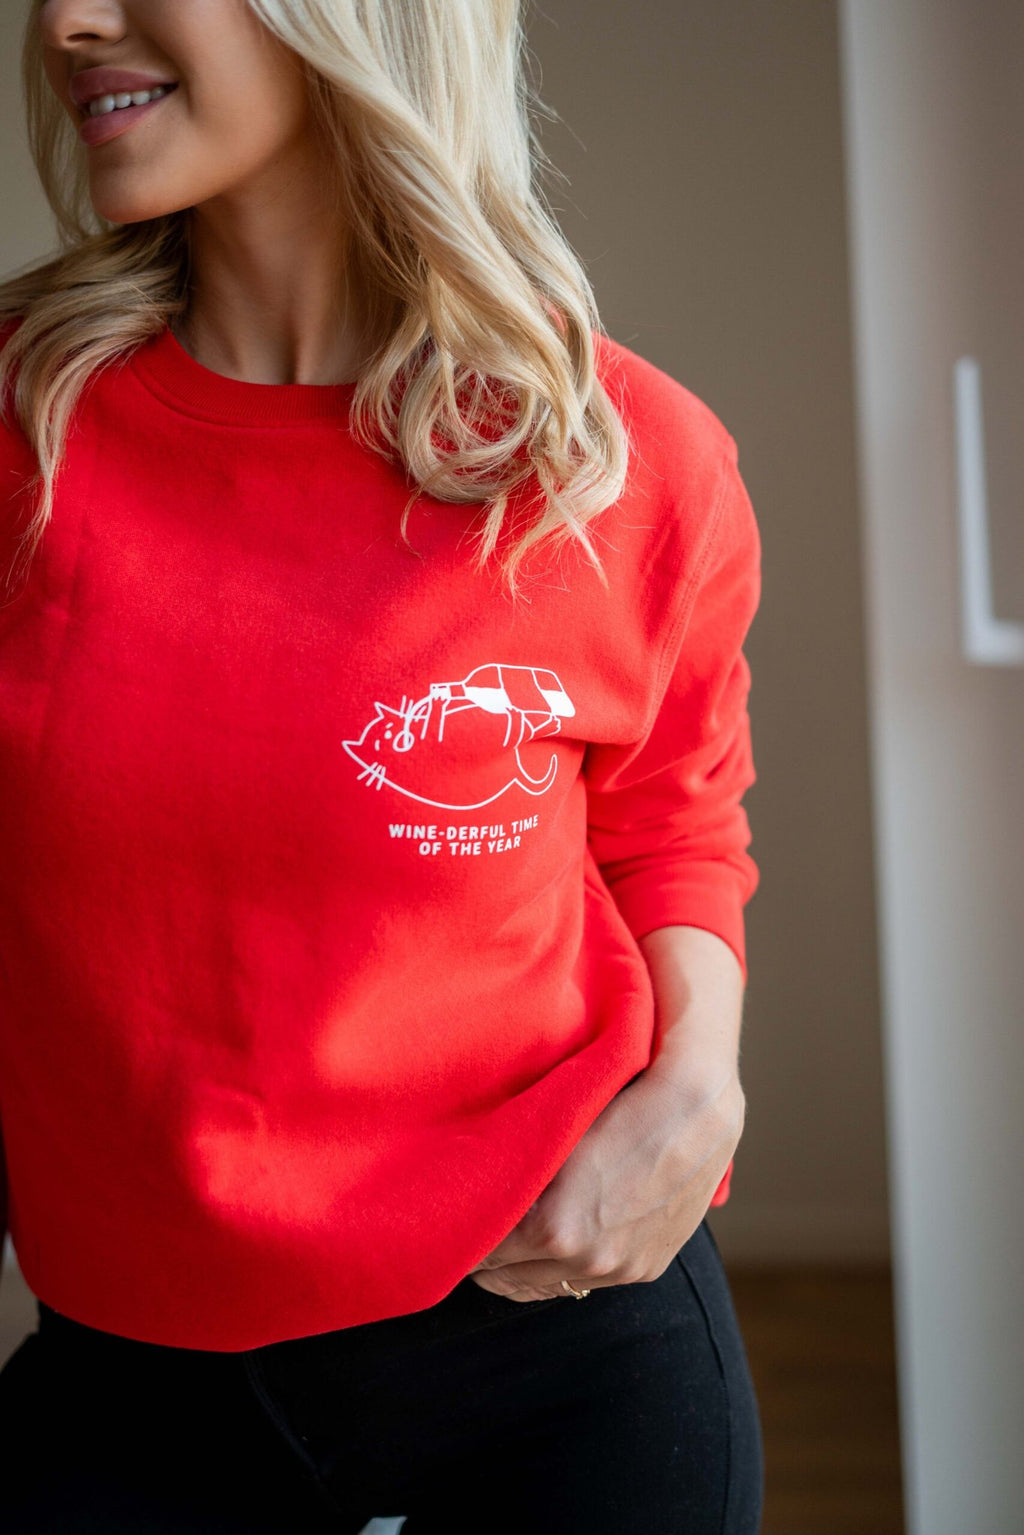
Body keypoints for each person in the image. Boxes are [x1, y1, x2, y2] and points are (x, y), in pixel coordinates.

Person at [0, 1, 765, 1530]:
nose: (70, 19)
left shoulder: (621, 457)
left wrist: (698, 1089)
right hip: (129, 1364)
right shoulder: (27, 433)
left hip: (558, 1336)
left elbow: (674, 824)